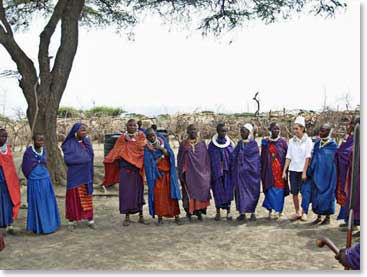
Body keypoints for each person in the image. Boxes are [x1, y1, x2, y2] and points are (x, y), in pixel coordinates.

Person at [105, 119, 148, 226]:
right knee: (126, 193)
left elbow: (142, 150)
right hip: (125, 169)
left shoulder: (141, 137)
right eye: (130, 125)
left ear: (137, 127)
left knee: (139, 192)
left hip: (137, 169)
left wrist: (132, 156)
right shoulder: (121, 139)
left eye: (134, 125)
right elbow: (116, 152)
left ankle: (141, 216)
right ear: (126, 126)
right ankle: (127, 217)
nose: (132, 127)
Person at [22, 133, 61, 234]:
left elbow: (44, 163)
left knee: (47, 202)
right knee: (37, 203)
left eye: (42, 140)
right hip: (34, 181)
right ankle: (39, 226)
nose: (41, 142)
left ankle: (50, 225)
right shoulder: (28, 152)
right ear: (34, 140)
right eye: (39, 140)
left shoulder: (44, 151)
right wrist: (31, 177)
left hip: (45, 180)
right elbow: (25, 167)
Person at [144, 128, 182, 225]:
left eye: (153, 135)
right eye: (149, 136)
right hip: (158, 176)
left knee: (171, 196)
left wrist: (161, 149)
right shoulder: (147, 148)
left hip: (168, 175)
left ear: (155, 134)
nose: (152, 138)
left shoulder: (163, 142)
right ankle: (160, 217)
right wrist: (161, 157)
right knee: (159, 197)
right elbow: (150, 164)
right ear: (147, 137)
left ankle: (176, 216)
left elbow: (170, 156)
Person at [62, 123, 95, 231]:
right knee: (73, 198)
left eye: (85, 131)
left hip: (86, 174)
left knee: (87, 197)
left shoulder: (86, 142)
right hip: (75, 175)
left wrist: (86, 159)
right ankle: (71, 221)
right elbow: (68, 159)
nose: (84, 133)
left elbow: (90, 157)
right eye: (82, 131)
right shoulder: (69, 144)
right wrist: (83, 159)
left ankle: (90, 219)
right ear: (75, 132)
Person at [177, 124, 211, 221]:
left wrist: (206, 173)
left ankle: (199, 212)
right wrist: (182, 171)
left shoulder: (202, 144)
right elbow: (180, 159)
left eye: (195, 129)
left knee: (201, 192)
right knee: (189, 194)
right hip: (188, 174)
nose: (193, 132)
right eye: (191, 130)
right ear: (187, 132)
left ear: (197, 131)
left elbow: (205, 160)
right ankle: (189, 212)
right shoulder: (183, 145)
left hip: (200, 174)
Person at [282, 116, 313, 221]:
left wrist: (304, 172)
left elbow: (308, 157)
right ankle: (297, 211)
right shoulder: (291, 141)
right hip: (293, 170)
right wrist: (284, 171)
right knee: (294, 192)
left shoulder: (308, 141)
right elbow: (288, 156)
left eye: (297, 129)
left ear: (302, 128)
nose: (295, 131)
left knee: (304, 192)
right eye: (294, 129)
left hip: (303, 171)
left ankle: (304, 212)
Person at [307, 124, 337, 225]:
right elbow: (313, 157)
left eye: (323, 131)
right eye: (320, 130)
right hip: (317, 173)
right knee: (316, 196)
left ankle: (327, 217)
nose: (321, 133)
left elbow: (334, 161)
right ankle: (318, 216)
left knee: (328, 195)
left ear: (329, 132)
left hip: (328, 175)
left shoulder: (333, 145)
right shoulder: (316, 144)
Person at [232, 123, 260, 222]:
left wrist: (248, 168)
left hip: (251, 175)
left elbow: (255, 160)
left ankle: (252, 212)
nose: (242, 133)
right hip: (240, 175)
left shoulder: (253, 145)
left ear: (249, 132)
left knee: (253, 192)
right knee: (240, 193)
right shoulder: (239, 144)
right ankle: (242, 213)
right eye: (241, 131)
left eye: (244, 131)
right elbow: (234, 156)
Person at [261, 122, 289, 219]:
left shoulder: (283, 142)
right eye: (274, 129)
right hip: (268, 171)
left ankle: (279, 210)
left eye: (278, 129)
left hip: (280, 172)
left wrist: (285, 171)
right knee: (269, 189)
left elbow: (287, 156)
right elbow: (263, 157)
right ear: (270, 130)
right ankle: (270, 210)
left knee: (279, 191)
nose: (276, 131)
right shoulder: (265, 142)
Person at [208, 123, 234, 221]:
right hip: (216, 173)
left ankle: (228, 212)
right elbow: (210, 158)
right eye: (221, 131)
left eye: (225, 131)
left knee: (228, 191)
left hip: (227, 173)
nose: (223, 133)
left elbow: (232, 156)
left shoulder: (229, 143)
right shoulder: (212, 145)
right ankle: (218, 212)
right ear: (217, 131)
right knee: (217, 192)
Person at [0, 129, 21, 235]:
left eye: (5, 136)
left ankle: (9, 224)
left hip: (9, 181)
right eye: (1, 136)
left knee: (9, 202)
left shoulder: (8, 149)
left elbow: (10, 166)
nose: (3, 138)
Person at [335, 117, 355, 223]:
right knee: (346, 194)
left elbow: (349, 152)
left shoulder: (359, 137)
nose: (349, 126)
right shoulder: (348, 137)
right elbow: (342, 150)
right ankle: (348, 220)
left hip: (355, 173)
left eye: (351, 124)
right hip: (345, 172)